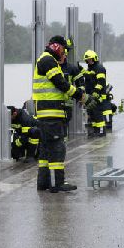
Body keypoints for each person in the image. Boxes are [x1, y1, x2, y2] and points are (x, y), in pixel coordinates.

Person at [33, 36, 96, 192]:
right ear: (56, 47)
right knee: (57, 148)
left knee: (46, 149)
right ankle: (57, 183)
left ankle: (43, 183)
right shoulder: (48, 61)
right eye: (63, 49)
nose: (64, 53)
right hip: (51, 112)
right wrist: (82, 96)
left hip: (46, 112)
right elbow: (61, 83)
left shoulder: (46, 59)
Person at [80, 49, 110, 137]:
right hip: (90, 95)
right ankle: (95, 131)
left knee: (97, 113)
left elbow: (101, 82)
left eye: (90, 59)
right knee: (91, 113)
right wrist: (80, 68)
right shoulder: (90, 68)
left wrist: (96, 92)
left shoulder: (99, 68)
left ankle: (101, 131)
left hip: (98, 95)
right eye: (87, 60)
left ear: (94, 59)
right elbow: (88, 76)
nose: (89, 61)